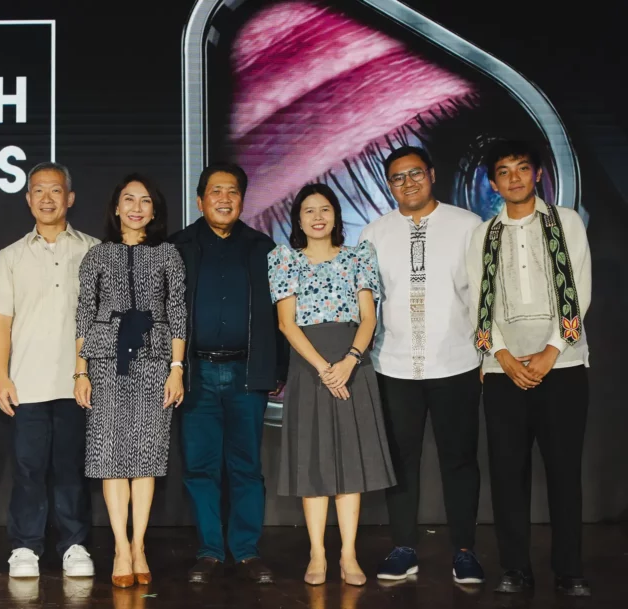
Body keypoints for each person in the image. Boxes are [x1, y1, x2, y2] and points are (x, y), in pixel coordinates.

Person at [467, 140, 592, 597]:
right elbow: (478, 306)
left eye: (522, 168)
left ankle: (569, 570)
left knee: (563, 472)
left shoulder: (565, 222)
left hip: (563, 365)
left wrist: (551, 351)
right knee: (507, 472)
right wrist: (499, 357)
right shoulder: (483, 234)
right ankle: (515, 568)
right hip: (503, 372)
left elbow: (579, 291)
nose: (514, 177)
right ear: (494, 182)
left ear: (538, 174)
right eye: (504, 171)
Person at [358, 146, 486, 585]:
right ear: (388, 185)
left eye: (415, 174)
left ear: (432, 174)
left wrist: (486, 354)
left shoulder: (468, 226)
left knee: (460, 460)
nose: (408, 183)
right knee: (400, 461)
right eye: (397, 177)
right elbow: (367, 305)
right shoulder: (373, 234)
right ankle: (403, 547)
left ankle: (465, 551)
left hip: (457, 362)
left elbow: (482, 297)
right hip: (393, 366)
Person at [269, 183, 395, 586]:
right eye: (309, 210)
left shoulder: (359, 256)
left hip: (353, 366)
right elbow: (286, 324)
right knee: (313, 462)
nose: (318, 216)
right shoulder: (284, 259)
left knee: (350, 463)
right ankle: (318, 554)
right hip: (310, 367)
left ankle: (349, 555)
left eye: (325, 209)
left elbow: (369, 318)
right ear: (298, 219)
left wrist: (350, 361)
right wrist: (325, 368)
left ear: (336, 216)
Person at [0, 162, 98, 579]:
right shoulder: (11, 256)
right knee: (28, 470)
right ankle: (25, 546)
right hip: (26, 383)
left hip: (78, 385)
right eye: (38, 191)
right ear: (28, 199)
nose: (47, 199)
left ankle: (75, 545)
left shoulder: (93, 250)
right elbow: (0, 324)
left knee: (71, 469)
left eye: (55, 191)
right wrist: (2, 377)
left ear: (70, 198)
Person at [169, 162, 285, 584]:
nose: (223, 198)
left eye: (232, 191)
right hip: (195, 374)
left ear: (242, 199)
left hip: (246, 373)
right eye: (215, 191)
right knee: (200, 468)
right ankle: (210, 551)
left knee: (246, 467)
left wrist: (278, 367)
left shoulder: (263, 249)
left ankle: (247, 551)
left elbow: (282, 315)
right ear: (199, 200)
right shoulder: (177, 247)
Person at [74, 174, 187, 587]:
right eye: (129, 199)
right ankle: (120, 547)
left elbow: (177, 313)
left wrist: (177, 369)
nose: (136, 207)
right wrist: (80, 370)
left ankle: (139, 545)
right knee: (109, 457)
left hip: (156, 361)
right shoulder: (96, 256)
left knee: (146, 457)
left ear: (154, 211)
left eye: (145, 201)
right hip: (105, 361)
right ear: (116, 208)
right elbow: (84, 315)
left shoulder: (169, 256)